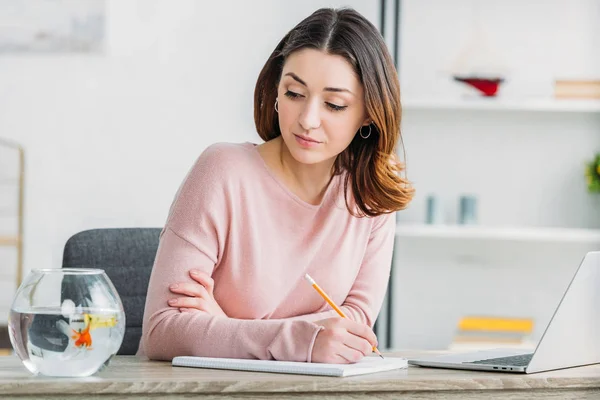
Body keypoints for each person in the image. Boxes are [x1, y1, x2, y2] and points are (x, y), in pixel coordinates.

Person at [138, 7, 414, 364]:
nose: (308, 120)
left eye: (334, 104)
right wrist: (300, 341)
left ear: (368, 113)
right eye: (295, 93)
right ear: (276, 91)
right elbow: (163, 331)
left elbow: (352, 334)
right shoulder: (222, 171)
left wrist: (222, 325)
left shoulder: (372, 198)